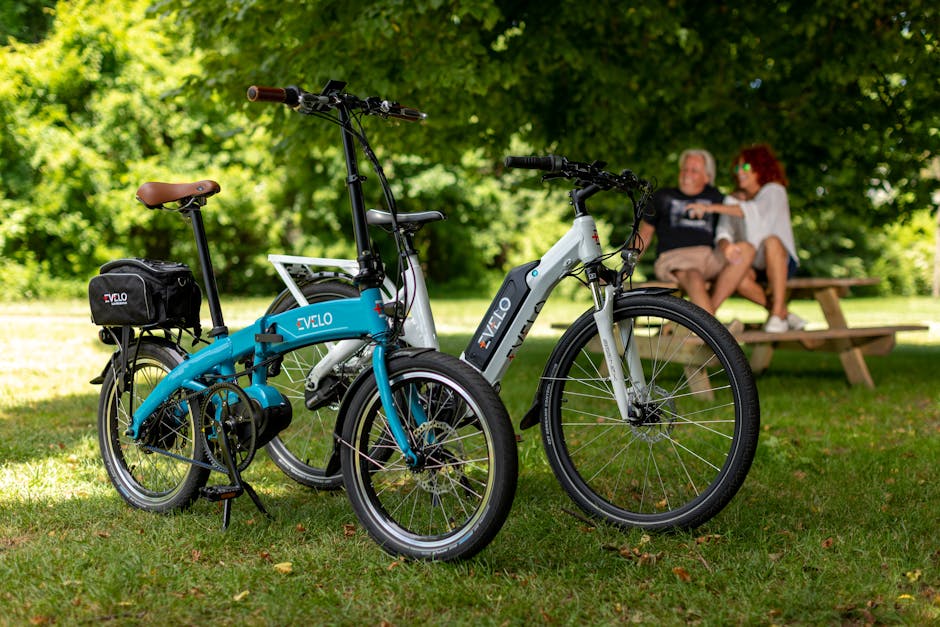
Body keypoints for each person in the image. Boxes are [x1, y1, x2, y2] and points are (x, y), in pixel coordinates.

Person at [686, 144, 804, 332]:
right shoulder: (733, 199)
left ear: (760, 168)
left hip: (780, 262)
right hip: (754, 264)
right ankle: (782, 312)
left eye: (746, 167)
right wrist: (726, 247)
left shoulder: (774, 191)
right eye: (738, 167)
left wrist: (709, 208)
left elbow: (753, 212)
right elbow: (724, 233)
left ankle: (775, 314)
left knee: (772, 242)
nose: (740, 171)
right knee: (737, 276)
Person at [636, 148, 755, 316]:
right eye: (684, 169)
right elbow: (644, 236)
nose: (686, 174)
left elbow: (731, 227)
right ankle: (717, 333)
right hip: (674, 258)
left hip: (708, 257)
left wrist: (745, 265)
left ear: (707, 177)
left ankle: (706, 329)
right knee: (693, 276)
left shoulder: (716, 198)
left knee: (746, 249)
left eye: (694, 170)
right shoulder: (662, 196)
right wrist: (624, 267)